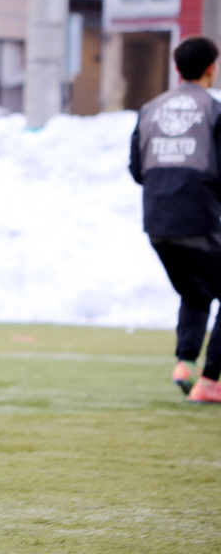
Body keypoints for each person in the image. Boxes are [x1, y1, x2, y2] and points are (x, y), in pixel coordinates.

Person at [129, 36, 221, 404]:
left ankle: (185, 363)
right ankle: (211, 380)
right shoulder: (214, 111)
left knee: (195, 291)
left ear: (177, 68)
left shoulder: (150, 108)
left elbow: (137, 169)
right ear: (211, 68)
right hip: (197, 217)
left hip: (156, 221)